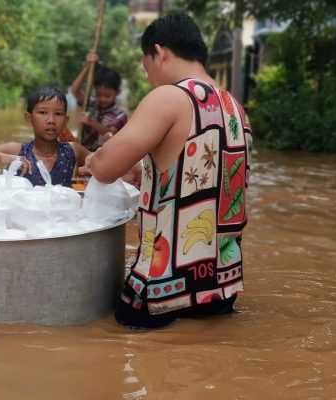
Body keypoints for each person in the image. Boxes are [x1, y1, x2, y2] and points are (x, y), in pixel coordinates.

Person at [87, 14, 249, 329]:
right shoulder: (234, 108)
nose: (149, 77)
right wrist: (143, 171)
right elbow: (204, 173)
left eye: (147, 67)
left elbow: (105, 168)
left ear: (159, 52)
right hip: (220, 289)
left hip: (162, 289)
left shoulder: (170, 97)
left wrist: (93, 160)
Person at [0, 87, 91, 187]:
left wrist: (88, 169)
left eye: (58, 114)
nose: (51, 120)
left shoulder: (73, 150)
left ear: (65, 121)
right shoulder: (17, 150)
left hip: (63, 221)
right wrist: (1, 157)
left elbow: (104, 163)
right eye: (43, 113)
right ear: (29, 118)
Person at [70, 52, 129, 151]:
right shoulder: (92, 104)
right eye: (99, 95)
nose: (102, 99)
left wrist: (92, 122)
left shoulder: (120, 115)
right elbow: (75, 90)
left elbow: (111, 134)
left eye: (107, 96)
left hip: (102, 157)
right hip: (82, 151)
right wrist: (88, 66)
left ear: (117, 92)